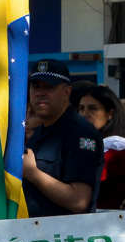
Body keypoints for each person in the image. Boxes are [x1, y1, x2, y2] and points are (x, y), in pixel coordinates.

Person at [21, 60, 104, 217]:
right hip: (35, 234)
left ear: (66, 92)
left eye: (49, 87)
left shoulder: (81, 133)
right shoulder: (39, 133)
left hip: (65, 237)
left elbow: (78, 201)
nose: (40, 92)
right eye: (35, 86)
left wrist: (33, 173)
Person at [74, 83, 125, 210]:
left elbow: (85, 178)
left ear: (110, 114)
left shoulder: (116, 148)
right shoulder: (89, 142)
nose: (84, 114)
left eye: (92, 109)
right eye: (81, 108)